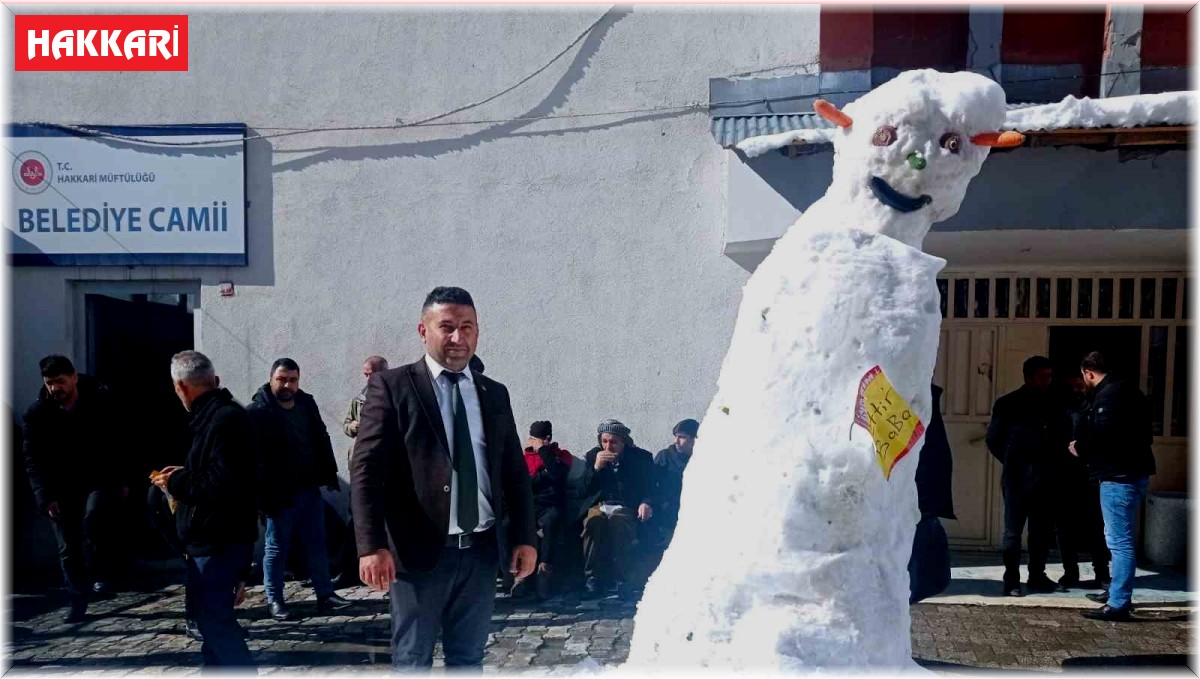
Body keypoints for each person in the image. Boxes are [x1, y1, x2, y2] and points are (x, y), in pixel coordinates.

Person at [351, 286, 536, 671]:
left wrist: (523, 537)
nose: (458, 338)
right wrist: (370, 544)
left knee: (468, 659)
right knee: (413, 660)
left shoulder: (493, 393)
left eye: (467, 327)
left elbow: (514, 472)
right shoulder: (392, 387)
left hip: (482, 553)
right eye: (447, 327)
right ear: (423, 330)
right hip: (420, 554)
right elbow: (366, 470)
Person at [151, 351, 257, 667]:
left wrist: (176, 482)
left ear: (180, 387)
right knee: (212, 633)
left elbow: (221, 485)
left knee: (216, 626)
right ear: (215, 381)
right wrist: (183, 472)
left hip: (219, 543)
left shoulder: (225, 419)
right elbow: (221, 473)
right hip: (216, 542)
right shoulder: (216, 417)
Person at [21, 355, 126, 623]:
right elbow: (32, 458)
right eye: (50, 383)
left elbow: (120, 443)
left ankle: (103, 571)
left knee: (95, 518)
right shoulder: (37, 415)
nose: (55, 388)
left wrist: (122, 480)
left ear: (74, 378)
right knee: (67, 547)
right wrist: (44, 497)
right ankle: (77, 598)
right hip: (60, 488)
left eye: (60, 381)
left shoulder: (101, 403)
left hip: (98, 479)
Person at [247, 358, 352, 621]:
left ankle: (325, 594)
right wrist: (261, 496)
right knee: (275, 548)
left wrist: (327, 473)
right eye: (282, 379)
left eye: (292, 379)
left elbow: (321, 437)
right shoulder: (257, 411)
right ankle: (275, 600)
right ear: (271, 378)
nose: (287, 384)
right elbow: (252, 458)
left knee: (317, 544)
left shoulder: (306, 403)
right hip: (278, 495)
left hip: (309, 489)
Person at [1070, 351, 1156, 621]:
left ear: (1089, 373)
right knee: (1118, 538)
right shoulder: (1130, 391)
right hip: (1130, 473)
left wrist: (1080, 447)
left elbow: (1105, 434)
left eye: (1084, 377)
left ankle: (1118, 603)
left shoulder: (1109, 395)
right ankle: (1116, 592)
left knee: (1120, 542)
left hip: (1119, 476)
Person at [986, 356, 1072, 597]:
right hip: (1016, 478)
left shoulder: (1054, 403)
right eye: (1042, 377)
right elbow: (994, 439)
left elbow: (1064, 434)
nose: (1047, 382)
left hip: (1045, 478)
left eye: (1049, 377)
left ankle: (1037, 574)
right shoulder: (1008, 404)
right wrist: (1013, 459)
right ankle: (1011, 579)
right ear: (1028, 377)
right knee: (1013, 532)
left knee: (1041, 531)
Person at [578, 419, 657, 600]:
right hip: (600, 505)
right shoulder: (593, 456)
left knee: (619, 521)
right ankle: (593, 578)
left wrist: (647, 502)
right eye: (604, 441)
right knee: (593, 522)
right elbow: (583, 490)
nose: (608, 446)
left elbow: (651, 486)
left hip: (626, 506)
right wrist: (596, 468)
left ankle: (624, 580)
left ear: (623, 441)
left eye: (614, 442)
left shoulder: (640, 457)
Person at [338, 355, 389, 586]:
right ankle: (350, 568)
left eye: (373, 373)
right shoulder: (359, 399)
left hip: (386, 467)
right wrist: (354, 426)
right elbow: (346, 424)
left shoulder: (394, 394)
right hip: (361, 463)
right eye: (366, 373)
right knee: (356, 517)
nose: (369, 378)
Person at [1057, 374, 1111, 590]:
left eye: (1078, 384)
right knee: (1064, 528)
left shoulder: (1095, 406)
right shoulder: (1060, 407)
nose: (1075, 389)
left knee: (1095, 526)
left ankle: (1102, 572)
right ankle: (1070, 572)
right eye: (1071, 385)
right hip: (1064, 474)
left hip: (1089, 473)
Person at [513, 420, 572, 599]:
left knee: (550, 522)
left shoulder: (561, 455)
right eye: (532, 439)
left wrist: (543, 452)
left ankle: (544, 571)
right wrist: (542, 476)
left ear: (546, 440)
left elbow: (557, 475)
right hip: (529, 504)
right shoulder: (522, 458)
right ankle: (521, 576)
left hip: (552, 504)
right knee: (518, 523)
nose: (532, 443)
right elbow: (522, 483)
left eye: (537, 440)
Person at [909, 384, 955, 603]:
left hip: (923, 500)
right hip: (919, 500)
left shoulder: (923, 399)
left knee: (931, 574)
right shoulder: (914, 398)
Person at [650, 418, 698, 553]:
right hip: (667, 511)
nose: (676, 441)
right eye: (676, 437)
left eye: (682, 437)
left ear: (694, 439)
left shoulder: (701, 459)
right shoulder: (665, 456)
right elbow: (651, 484)